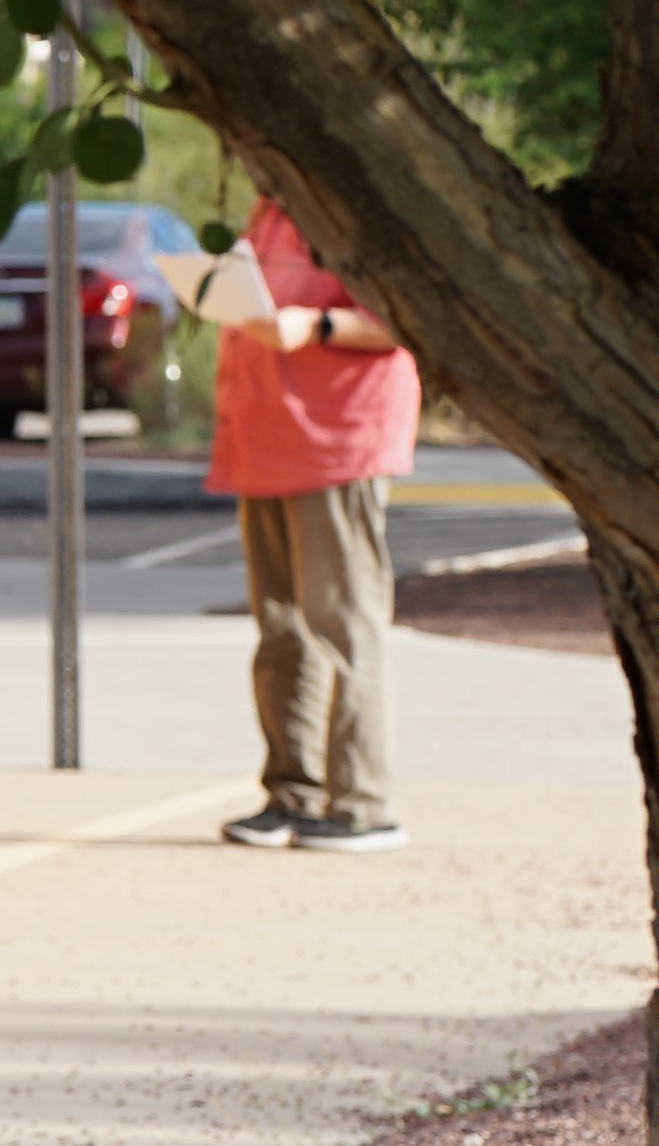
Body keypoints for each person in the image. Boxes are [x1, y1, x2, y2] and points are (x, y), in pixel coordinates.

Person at [207, 195, 421, 853]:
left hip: (337, 440)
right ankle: (290, 794)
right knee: (279, 627)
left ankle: (360, 802)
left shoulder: (351, 202)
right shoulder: (268, 209)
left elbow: (408, 320)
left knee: (342, 621)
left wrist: (318, 326)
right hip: (263, 438)